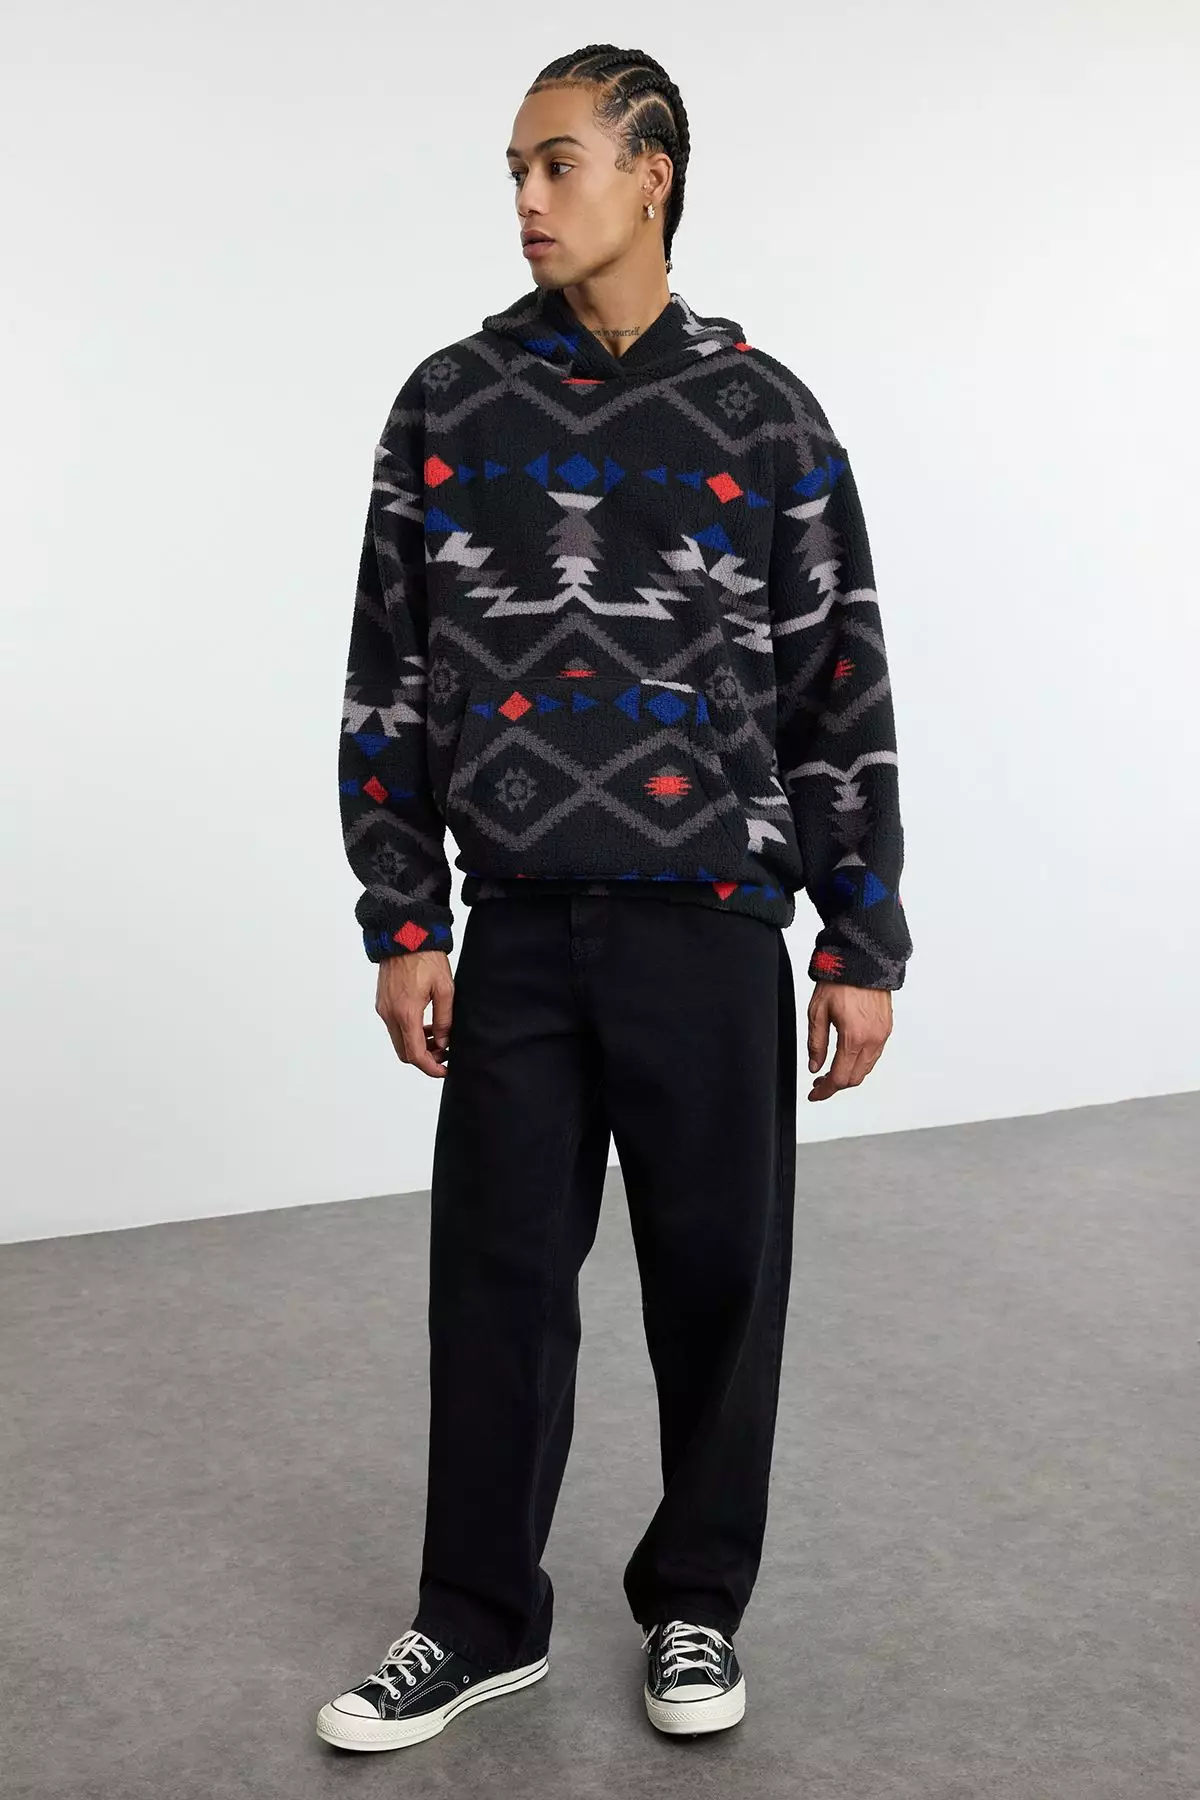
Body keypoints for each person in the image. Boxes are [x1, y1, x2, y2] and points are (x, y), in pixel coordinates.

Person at [317, 43, 913, 1755]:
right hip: (514, 923)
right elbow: (387, 677)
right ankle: (475, 1620)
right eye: (513, 169)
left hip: (711, 921)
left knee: (719, 1283)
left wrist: (861, 938)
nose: (525, 197)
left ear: (653, 174)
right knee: (496, 1281)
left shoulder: (767, 413)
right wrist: (403, 917)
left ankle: (697, 1606)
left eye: (557, 162)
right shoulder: (449, 402)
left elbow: (838, 687)